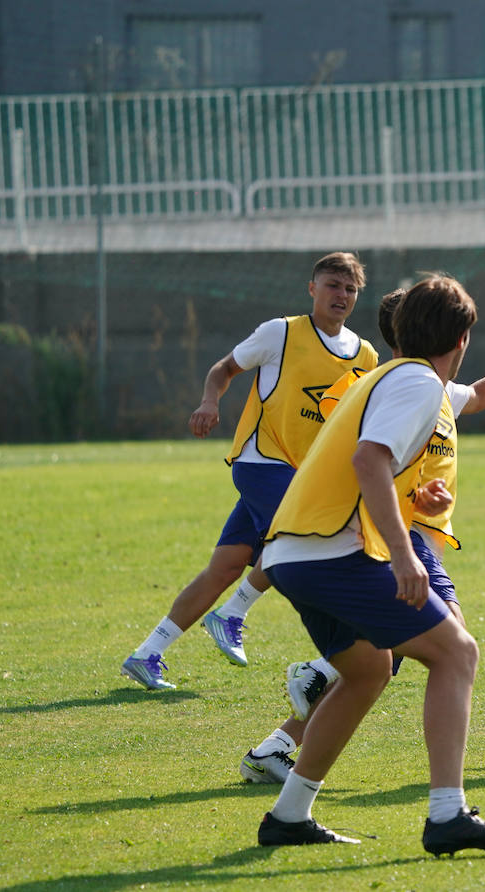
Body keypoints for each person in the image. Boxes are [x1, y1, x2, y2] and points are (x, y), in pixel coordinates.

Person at [241, 288, 485, 785]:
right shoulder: (399, 385)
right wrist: (404, 538)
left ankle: (277, 747)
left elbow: (480, 395)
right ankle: (439, 795)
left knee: (384, 663)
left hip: (410, 532)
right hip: (391, 537)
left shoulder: (435, 389)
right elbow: (362, 462)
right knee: (449, 640)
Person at [121, 253, 378, 689]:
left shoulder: (366, 355)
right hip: (261, 462)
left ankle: (147, 653)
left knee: (225, 568)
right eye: (333, 285)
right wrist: (209, 401)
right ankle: (233, 613)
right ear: (312, 288)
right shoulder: (281, 332)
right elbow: (224, 369)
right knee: (300, 539)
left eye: (350, 289)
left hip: (300, 475)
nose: (342, 295)